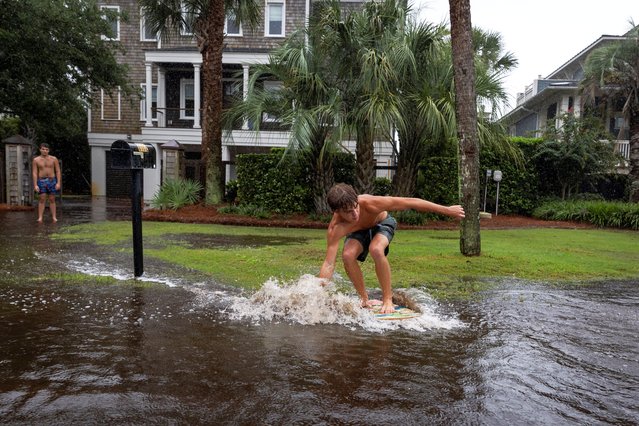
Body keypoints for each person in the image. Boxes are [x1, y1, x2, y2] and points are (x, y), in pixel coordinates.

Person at [318, 183, 465, 314]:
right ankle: (364, 299)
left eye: (355, 206)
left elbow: (411, 202)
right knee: (348, 256)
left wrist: (447, 210)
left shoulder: (370, 203)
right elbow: (329, 263)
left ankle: (387, 298)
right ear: (337, 212)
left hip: (382, 224)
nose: (355, 213)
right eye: (348, 212)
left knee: (376, 249)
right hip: (359, 232)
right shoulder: (336, 228)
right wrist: (317, 292)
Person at [32, 143, 62, 222]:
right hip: (41, 181)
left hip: (52, 180)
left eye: (46, 149)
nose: (45, 151)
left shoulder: (53, 159)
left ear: (49, 150)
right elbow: (34, 173)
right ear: (40, 149)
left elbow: (58, 171)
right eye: (43, 149)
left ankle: (54, 217)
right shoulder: (36, 160)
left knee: (52, 199)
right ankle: (40, 217)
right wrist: (35, 185)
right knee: (42, 198)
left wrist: (58, 183)